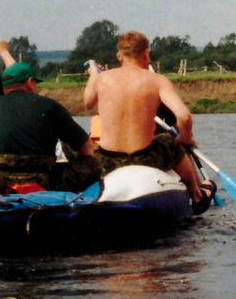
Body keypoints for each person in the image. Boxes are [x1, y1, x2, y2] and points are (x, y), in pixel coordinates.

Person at [83, 31, 211, 208]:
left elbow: (88, 103)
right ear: (145, 53)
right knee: (171, 141)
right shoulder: (157, 80)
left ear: (119, 57)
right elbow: (184, 116)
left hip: (107, 160)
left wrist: (94, 77)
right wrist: (185, 137)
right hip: (145, 157)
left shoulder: (102, 79)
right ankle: (197, 196)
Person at [0, 62, 102, 193]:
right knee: (93, 162)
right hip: (45, 181)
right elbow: (86, 149)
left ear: (5, 87)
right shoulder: (49, 104)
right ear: (30, 82)